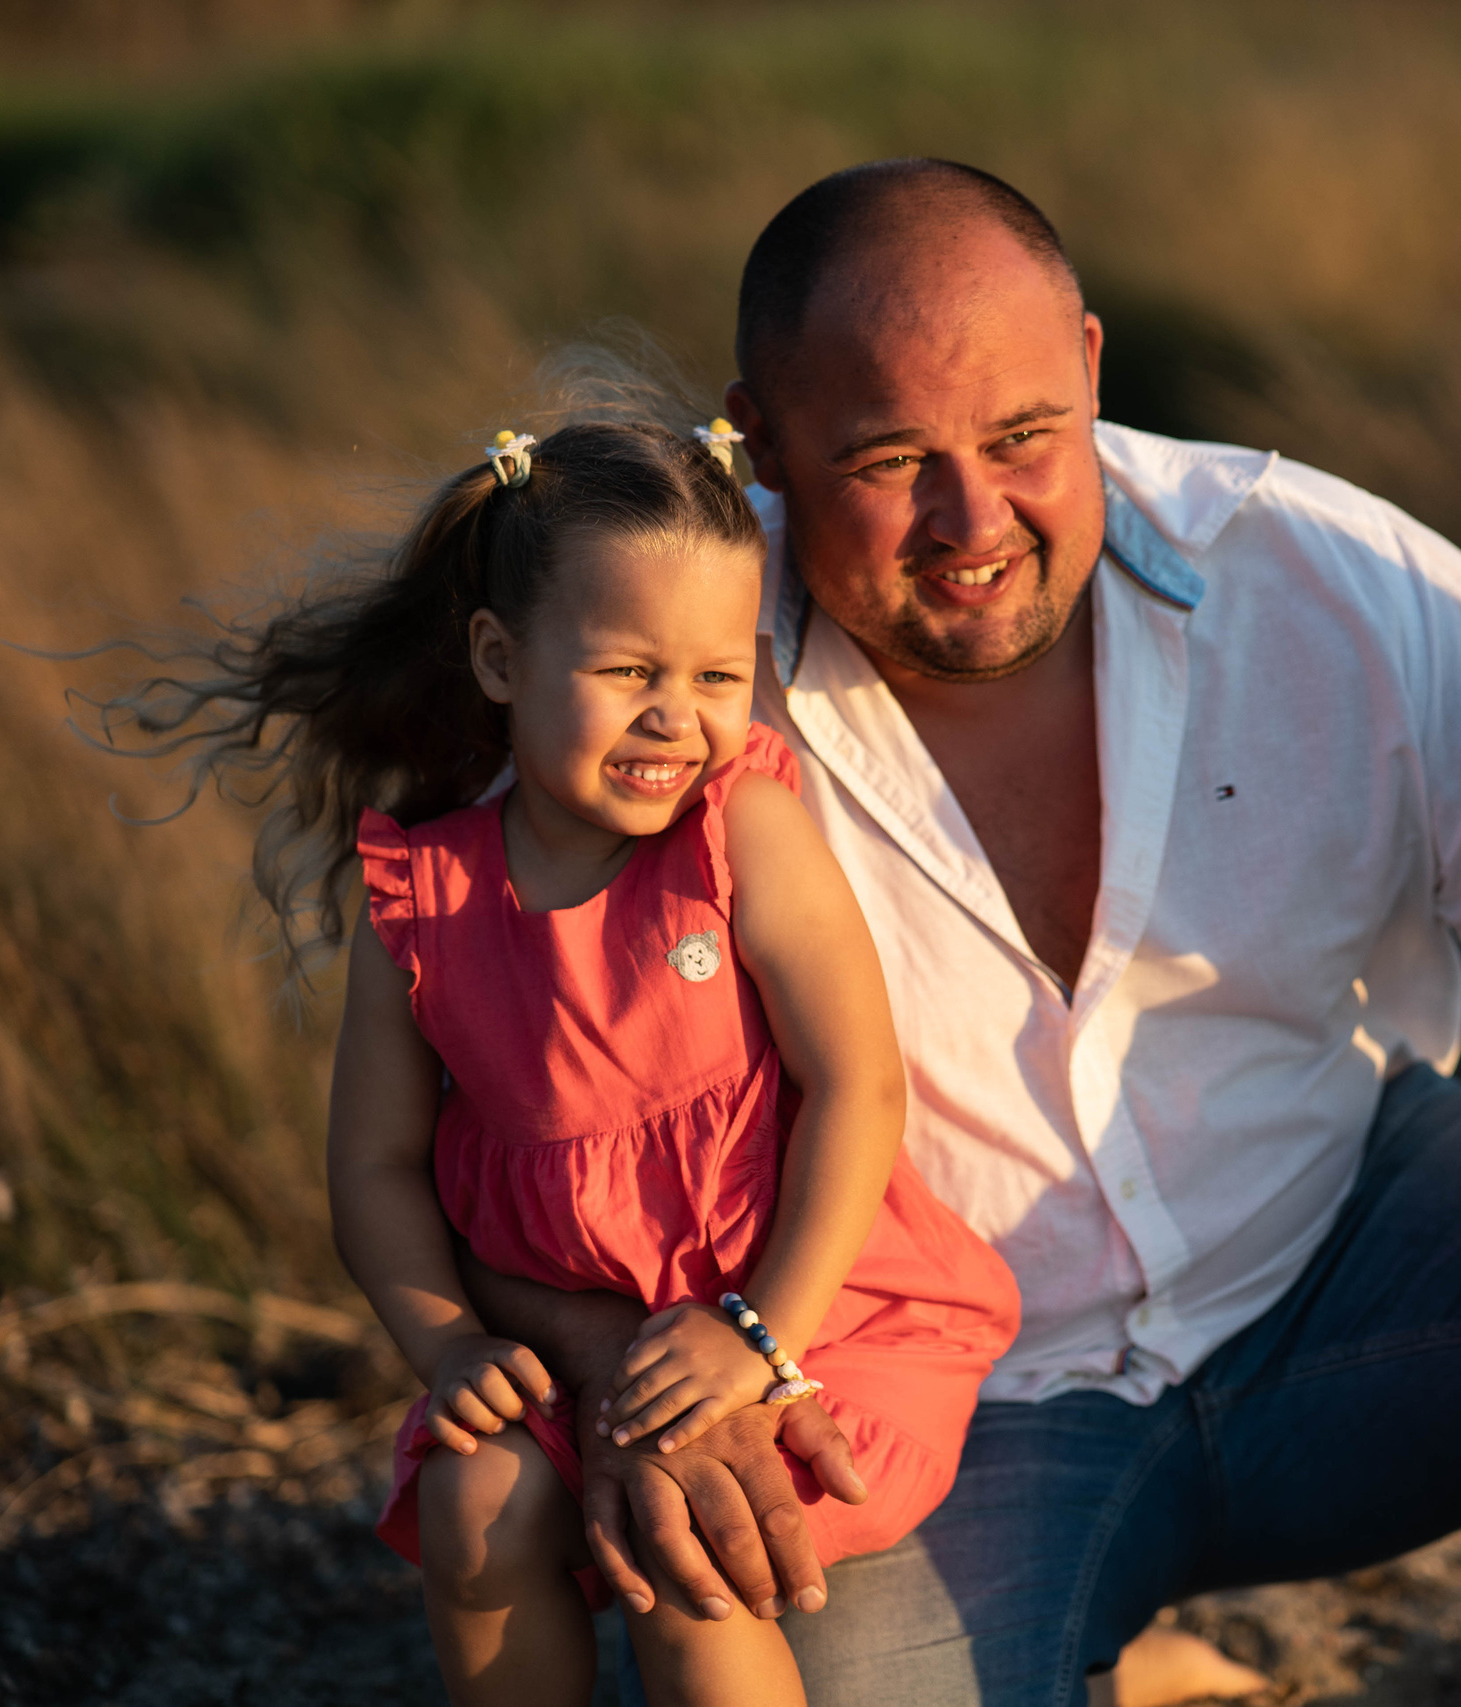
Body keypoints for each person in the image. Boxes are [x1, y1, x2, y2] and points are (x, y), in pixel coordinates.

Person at [446, 159, 1461, 1704]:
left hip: (1351, 1265)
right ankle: (1123, 1665)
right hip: (931, 1409)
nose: (972, 519)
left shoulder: (1316, 572)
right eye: (886, 457)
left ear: (1087, 356)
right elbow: (493, 1136)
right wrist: (638, 1370)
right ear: (766, 436)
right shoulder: (654, 672)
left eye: (1022, 435)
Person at [115, 419, 1019, 1704]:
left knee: (677, 1531)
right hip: (564, 1336)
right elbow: (375, 1167)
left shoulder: (739, 835)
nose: (679, 716)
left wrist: (757, 1337)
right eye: (628, 668)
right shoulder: (421, 900)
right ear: (499, 656)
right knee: (474, 1504)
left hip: (816, 1307)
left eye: (717, 675)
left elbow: (858, 1088)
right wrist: (442, 1350)